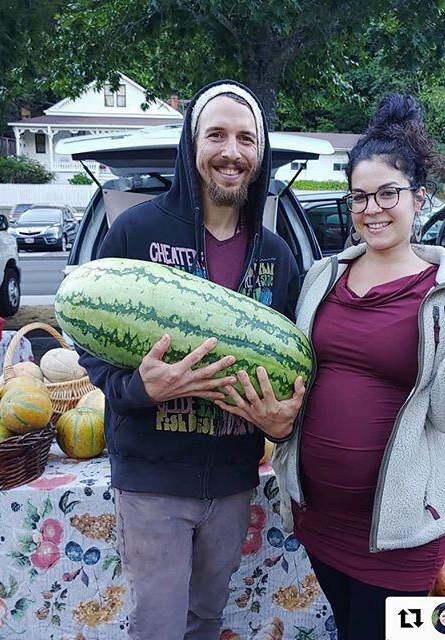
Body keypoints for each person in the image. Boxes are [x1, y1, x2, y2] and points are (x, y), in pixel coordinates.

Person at [270, 92, 445, 640]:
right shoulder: (321, 278)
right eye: (358, 196)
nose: (371, 208)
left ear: (418, 198)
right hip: (320, 515)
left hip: (399, 530)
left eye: (387, 193)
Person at [78, 80, 305, 640]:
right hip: (154, 480)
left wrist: (285, 423)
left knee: (206, 622)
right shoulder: (138, 231)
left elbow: (299, 370)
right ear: (192, 144)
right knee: (157, 627)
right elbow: (88, 339)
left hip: (232, 481)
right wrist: (139, 389)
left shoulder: (276, 255)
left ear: (260, 153)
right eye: (217, 135)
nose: (232, 151)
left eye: (245, 139)